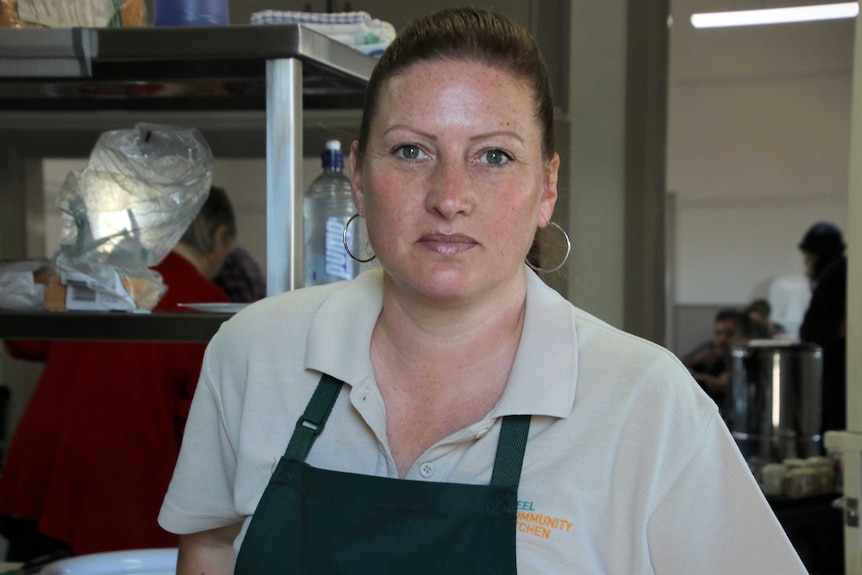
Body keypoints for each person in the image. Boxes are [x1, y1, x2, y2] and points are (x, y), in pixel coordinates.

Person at [158, 8, 806, 574]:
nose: (449, 198)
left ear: (547, 187)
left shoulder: (645, 403)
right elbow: (211, 547)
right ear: (358, 176)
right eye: (411, 151)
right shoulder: (252, 353)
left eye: (493, 156)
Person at [0, 186, 236, 562]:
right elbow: (202, 430)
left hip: (37, 487)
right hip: (116, 504)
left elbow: (24, 342)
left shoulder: (103, 276)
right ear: (220, 237)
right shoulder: (204, 303)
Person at [798, 221, 848, 433]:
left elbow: (826, 328)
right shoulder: (836, 273)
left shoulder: (836, 275)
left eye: (809, 256)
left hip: (836, 377)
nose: (807, 263)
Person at [681, 308, 749, 408]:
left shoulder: (747, 362)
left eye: (729, 334)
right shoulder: (711, 354)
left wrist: (702, 378)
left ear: (744, 337)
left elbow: (725, 385)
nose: (721, 339)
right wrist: (697, 359)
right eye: (718, 333)